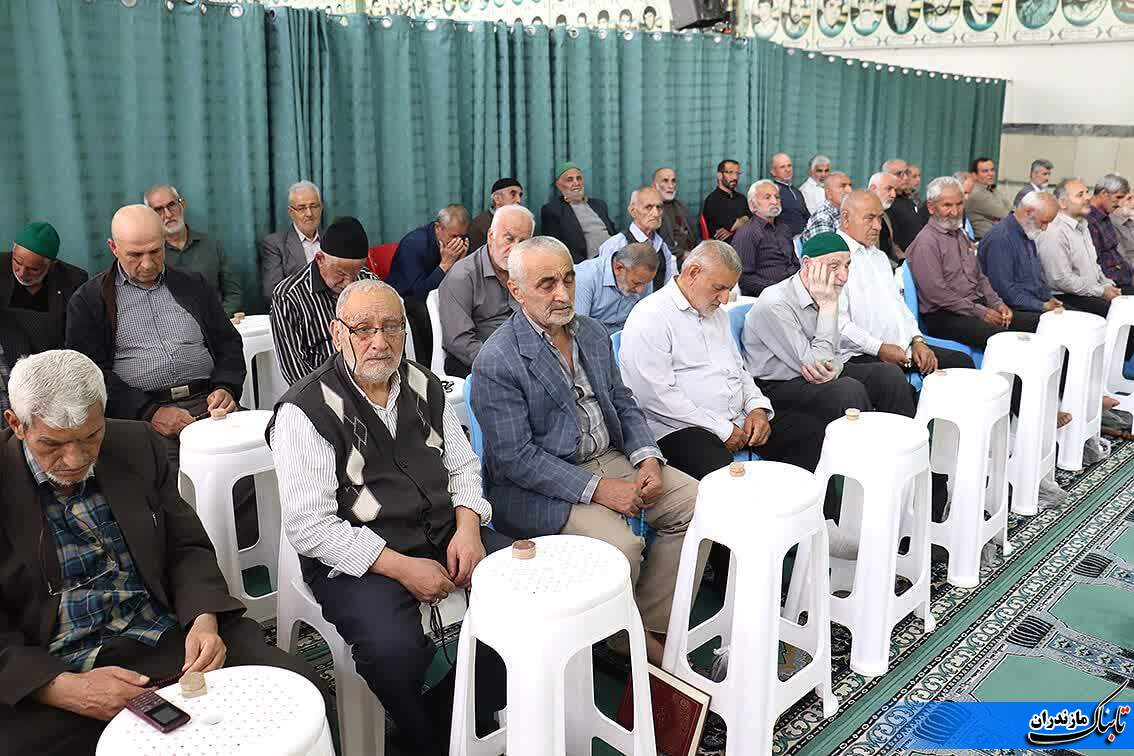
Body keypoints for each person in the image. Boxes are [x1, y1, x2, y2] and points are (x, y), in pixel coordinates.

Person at [0, 350, 327, 756]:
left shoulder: (135, 444)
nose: (75, 459)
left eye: (90, 437)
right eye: (52, 443)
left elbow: (185, 546)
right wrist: (63, 687)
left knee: (299, 692)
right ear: (16, 423)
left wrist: (203, 619)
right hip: (54, 664)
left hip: (168, 635)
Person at [269, 280, 509, 756]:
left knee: (523, 591)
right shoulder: (305, 411)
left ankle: (466, 708)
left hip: (445, 530)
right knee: (393, 650)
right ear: (338, 333)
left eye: (392, 327)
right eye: (363, 329)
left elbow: (463, 467)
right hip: (359, 559)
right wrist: (400, 567)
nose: (379, 341)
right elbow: (310, 527)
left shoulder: (423, 385)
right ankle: (428, 738)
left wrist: (468, 528)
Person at [470, 236, 701, 665]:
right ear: (516, 290)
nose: (562, 293)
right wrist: (600, 489)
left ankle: (644, 624)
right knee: (621, 550)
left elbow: (623, 401)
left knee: (698, 504)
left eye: (568, 279)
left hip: (611, 458)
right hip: (543, 485)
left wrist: (647, 456)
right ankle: (621, 635)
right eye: (546, 284)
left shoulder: (591, 332)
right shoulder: (497, 359)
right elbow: (515, 459)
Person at [619, 240, 826, 479]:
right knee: (720, 470)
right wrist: (723, 428)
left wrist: (757, 408)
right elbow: (654, 397)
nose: (725, 299)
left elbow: (739, 370)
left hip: (735, 420)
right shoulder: (651, 316)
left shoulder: (716, 314)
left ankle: (799, 503)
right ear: (693, 273)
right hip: (679, 427)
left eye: (729, 289)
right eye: (719, 288)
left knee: (808, 431)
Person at [66, 205, 244, 466]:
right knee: (165, 476)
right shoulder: (89, 300)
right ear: (113, 248)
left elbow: (227, 342)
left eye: (155, 251)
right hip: (140, 416)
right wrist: (149, 412)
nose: (147, 264)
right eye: (135, 255)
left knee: (258, 457)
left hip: (208, 403)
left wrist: (226, 387)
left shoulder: (193, 284)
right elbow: (89, 374)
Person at [742, 233, 916, 430]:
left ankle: (904, 443)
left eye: (847, 266)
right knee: (848, 390)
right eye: (834, 266)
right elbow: (816, 367)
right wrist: (827, 307)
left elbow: (834, 356)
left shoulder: (825, 291)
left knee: (889, 376)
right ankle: (866, 448)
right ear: (807, 264)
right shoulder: (775, 303)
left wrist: (834, 366)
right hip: (778, 386)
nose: (844, 276)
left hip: (820, 370)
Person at [836, 191, 974, 377]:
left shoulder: (878, 257)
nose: (878, 226)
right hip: (862, 354)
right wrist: (880, 348)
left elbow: (899, 306)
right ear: (846, 218)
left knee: (961, 362)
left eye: (880, 218)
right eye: (870, 218)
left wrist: (918, 340)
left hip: (901, 348)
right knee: (894, 380)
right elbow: (839, 326)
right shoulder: (833, 259)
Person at [906, 177, 1040, 350]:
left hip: (974, 306)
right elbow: (937, 294)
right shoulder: (926, 243)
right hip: (945, 315)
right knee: (1007, 341)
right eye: (947, 205)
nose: (955, 212)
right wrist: (981, 312)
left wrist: (998, 304)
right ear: (931, 207)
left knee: (1038, 323)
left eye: (959, 204)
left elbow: (980, 277)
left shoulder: (960, 234)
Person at [272, 216, 377, 386]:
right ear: (319, 259)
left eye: (355, 273)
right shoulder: (289, 296)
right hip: (322, 390)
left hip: (371, 382)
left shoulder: (369, 283)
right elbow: (295, 371)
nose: (349, 283)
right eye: (341, 274)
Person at [437, 204, 533, 378]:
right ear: (490, 237)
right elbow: (460, 342)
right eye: (509, 239)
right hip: (479, 361)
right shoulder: (462, 277)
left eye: (523, 242)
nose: (515, 249)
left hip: (523, 354)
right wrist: (505, 365)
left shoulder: (529, 270)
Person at [386, 204, 472, 361]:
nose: (458, 242)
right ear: (438, 228)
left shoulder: (457, 244)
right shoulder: (414, 244)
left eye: (462, 237)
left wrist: (460, 264)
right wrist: (445, 265)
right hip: (406, 299)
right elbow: (420, 293)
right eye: (453, 236)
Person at [1037, 178, 1131, 317]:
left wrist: (1106, 284)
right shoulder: (1055, 231)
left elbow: (1095, 265)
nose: (1088, 197)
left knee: (1126, 307)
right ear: (1062, 203)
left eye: (1087, 192)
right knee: (1119, 314)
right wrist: (1100, 291)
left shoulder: (1083, 225)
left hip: (1089, 291)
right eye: (1080, 195)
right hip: (1065, 296)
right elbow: (1061, 280)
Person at [144, 184, 242, 316]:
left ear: (182, 205)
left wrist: (217, 321)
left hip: (216, 322)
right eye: (158, 210)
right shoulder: (149, 255)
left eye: (171, 205)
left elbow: (233, 294)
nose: (168, 214)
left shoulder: (212, 245)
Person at [1, 221, 88, 353]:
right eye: (17, 262)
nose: (22, 273)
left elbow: (77, 335)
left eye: (33, 269)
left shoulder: (73, 281)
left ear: (51, 265)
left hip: (51, 356)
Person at [979, 191, 1063, 313]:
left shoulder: (1027, 231)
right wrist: (1042, 306)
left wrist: (1049, 298)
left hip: (1032, 302)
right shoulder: (1001, 238)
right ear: (1028, 212)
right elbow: (1003, 291)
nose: (1045, 228)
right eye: (1044, 222)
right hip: (1011, 309)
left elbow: (1036, 279)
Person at [596, 186, 676, 293]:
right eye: (648, 207)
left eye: (659, 207)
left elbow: (669, 287)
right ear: (633, 211)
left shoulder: (662, 247)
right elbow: (604, 290)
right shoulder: (615, 246)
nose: (656, 213)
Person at [574, 242, 660, 334]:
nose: (640, 290)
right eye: (635, 283)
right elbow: (579, 330)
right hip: (593, 337)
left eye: (645, 284)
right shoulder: (584, 278)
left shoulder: (642, 277)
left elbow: (644, 319)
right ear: (619, 268)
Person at [259, 180, 324, 301]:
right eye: (302, 208)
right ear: (291, 212)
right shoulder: (275, 244)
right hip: (297, 309)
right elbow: (273, 292)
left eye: (314, 206)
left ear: (321, 208)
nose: (309, 213)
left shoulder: (332, 239)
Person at [539, 162, 616, 262]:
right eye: (569, 180)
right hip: (586, 264)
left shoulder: (599, 204)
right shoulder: (552, 210)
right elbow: (555, 248)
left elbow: (613, 232)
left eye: (579, 178)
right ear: (559, 185)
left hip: (614, 258)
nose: (576, 183)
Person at [733, 179, 799, 296]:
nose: (774, 201)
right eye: (767, 197)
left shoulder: (784, 228)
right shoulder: (747, 233)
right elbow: (745, 279)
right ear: (753, 205)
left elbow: (795, 264)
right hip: (767, 297)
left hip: (794, 290)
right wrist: (778, 290)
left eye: (777, 197)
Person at [1086, 174, 1132, 289]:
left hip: (1124, 277)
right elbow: (1097, 264)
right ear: (1104, 193)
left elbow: (1116, 256)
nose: (1120, 204)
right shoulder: (1089, 221)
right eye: (1118, 197)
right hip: (1112, 283)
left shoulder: (1105, 217)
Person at [652, 167, 698, 265]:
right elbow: (653, 244)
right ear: (655, 185)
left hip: (692, 256)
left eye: (673, 181)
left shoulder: (681, 206)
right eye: (665, 181)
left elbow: (695, 236)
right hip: (670, 261)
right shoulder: (652, 210)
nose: (671, 186)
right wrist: (682, 254)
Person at [466, 177, 524, 254]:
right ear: (497, 199)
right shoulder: (480, 225)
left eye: (520, 195)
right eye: (513, 194)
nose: (518, 200)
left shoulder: (522, 222)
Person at [702, 159, 751, 241]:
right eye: (730, 172)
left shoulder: (741, 198)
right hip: (723, 246)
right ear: (719, 176)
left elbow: (752, 220)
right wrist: (744, 220)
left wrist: (732, 230)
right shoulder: (713, 200)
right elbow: (733, 225)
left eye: (737, 173)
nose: (735, 177)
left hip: (744, 240)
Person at [883, 158, 925, 251]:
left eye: (906, 173)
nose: (905, 178)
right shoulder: (885, 203)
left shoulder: (909, 200)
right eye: (899, 174)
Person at [966, 157, 1013, 240]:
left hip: (998, 237)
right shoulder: (977, 194)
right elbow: (1008, 215)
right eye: (985, 171)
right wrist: (1003, 220)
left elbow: (1010, 210)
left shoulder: (991, 189)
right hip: (986, 240)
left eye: (992, 170)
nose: (990, 174)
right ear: (974, 175)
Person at [801, 171, 853, 243]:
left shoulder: (849, 213)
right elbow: (827, 248)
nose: (849, 190)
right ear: (829, 193)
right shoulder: (822, 218)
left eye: (850, 185)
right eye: (843, 186)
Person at [770, 152, 810, 237]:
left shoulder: (797, 192)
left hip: (803, 239)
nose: (787, 170)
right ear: (773, 172)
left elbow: (807, 217)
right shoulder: (772, 192)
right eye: (782, 167)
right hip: (783, 240)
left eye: (789, 166)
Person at [868, 171, 903, 266]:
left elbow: (891, 246)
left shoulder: (885, 215)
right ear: (873, 189)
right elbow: (870, 253)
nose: (893, 195)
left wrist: (905, 262)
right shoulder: (861, 216)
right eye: (889, 189)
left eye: (895, 190)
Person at [1114, 189, 1134, 265]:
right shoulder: (1111, 225)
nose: (1133, 202)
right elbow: (1122, 260)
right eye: (1129, 198)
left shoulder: (1130, 219)